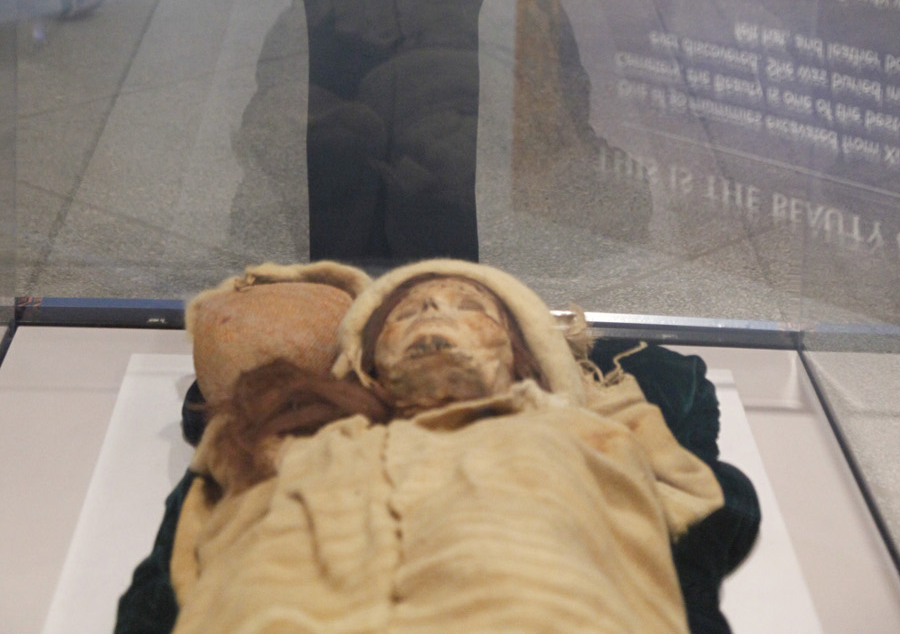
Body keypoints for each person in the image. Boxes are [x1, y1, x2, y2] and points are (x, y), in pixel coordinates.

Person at [116, 259, 759, 634]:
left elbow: (705, 508)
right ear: (365, 363)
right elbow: (185, 561)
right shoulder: (292, 442)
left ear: (522, 352)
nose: (433, 316)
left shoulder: (584, 429)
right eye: (407, 310)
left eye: (467, 306)